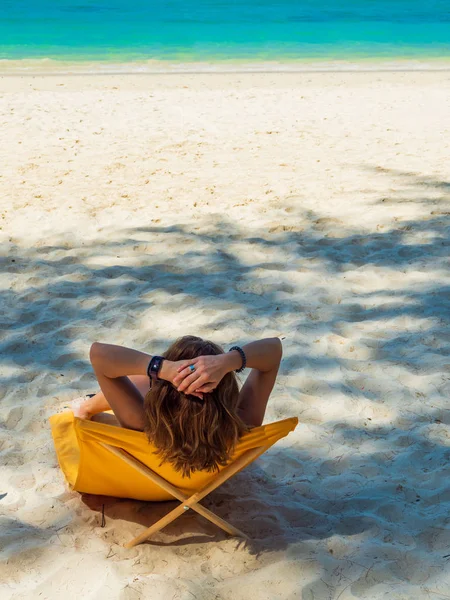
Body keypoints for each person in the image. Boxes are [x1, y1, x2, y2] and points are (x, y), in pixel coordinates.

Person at [71, 336, 282, 476]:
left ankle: (85, 408)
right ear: (226, 390)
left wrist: (161, 368)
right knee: (144, 381)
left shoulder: (144, 424)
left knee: (143, 379)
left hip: (153, 483)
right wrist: (228, 361)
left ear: (165, 392)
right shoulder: (243, 423)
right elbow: (274, 349)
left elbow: (98, 354)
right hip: (204, 484)